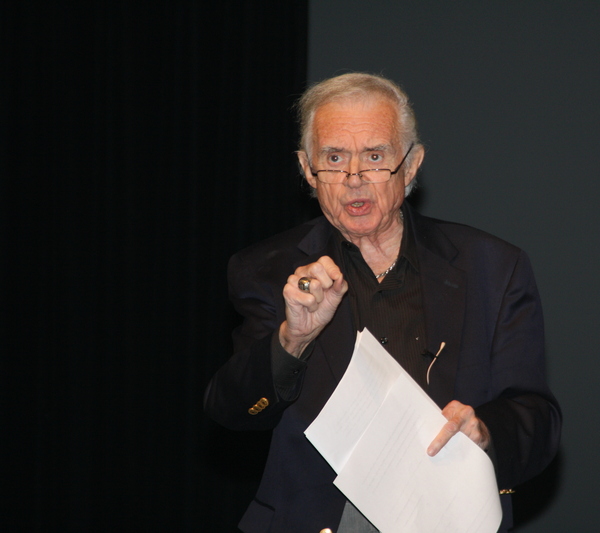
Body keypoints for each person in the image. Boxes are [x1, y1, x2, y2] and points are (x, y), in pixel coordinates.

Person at [205, 72, 561, 533]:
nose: (354, 179)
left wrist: (485, 430)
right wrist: (293, 338)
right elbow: (230, 410)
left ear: (411, 165)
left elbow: (539, 420)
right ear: (307, 169)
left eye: (374, 157)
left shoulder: (492, 268)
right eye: (334, 158)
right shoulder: (267, 270)